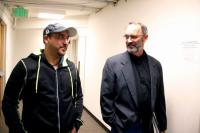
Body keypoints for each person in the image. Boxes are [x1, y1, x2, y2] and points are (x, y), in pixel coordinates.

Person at [2, 23, 83, 133]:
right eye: (60, 37)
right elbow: (9, 103)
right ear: (46, 39)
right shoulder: (26, 66)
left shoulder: (71, 68)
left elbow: (78, 97)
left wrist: (76, 125)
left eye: (67, 38)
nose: (66, 42)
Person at [100, 21, 167, 133]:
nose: (129, 40)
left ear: (145, 38)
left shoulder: (156, 65)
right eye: (126, 37)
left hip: (147, 127)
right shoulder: (112, 63)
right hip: (123, 128)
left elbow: (160, 99)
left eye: (134, 37)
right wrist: (116, 123)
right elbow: (106, 99)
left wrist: (162, 127)